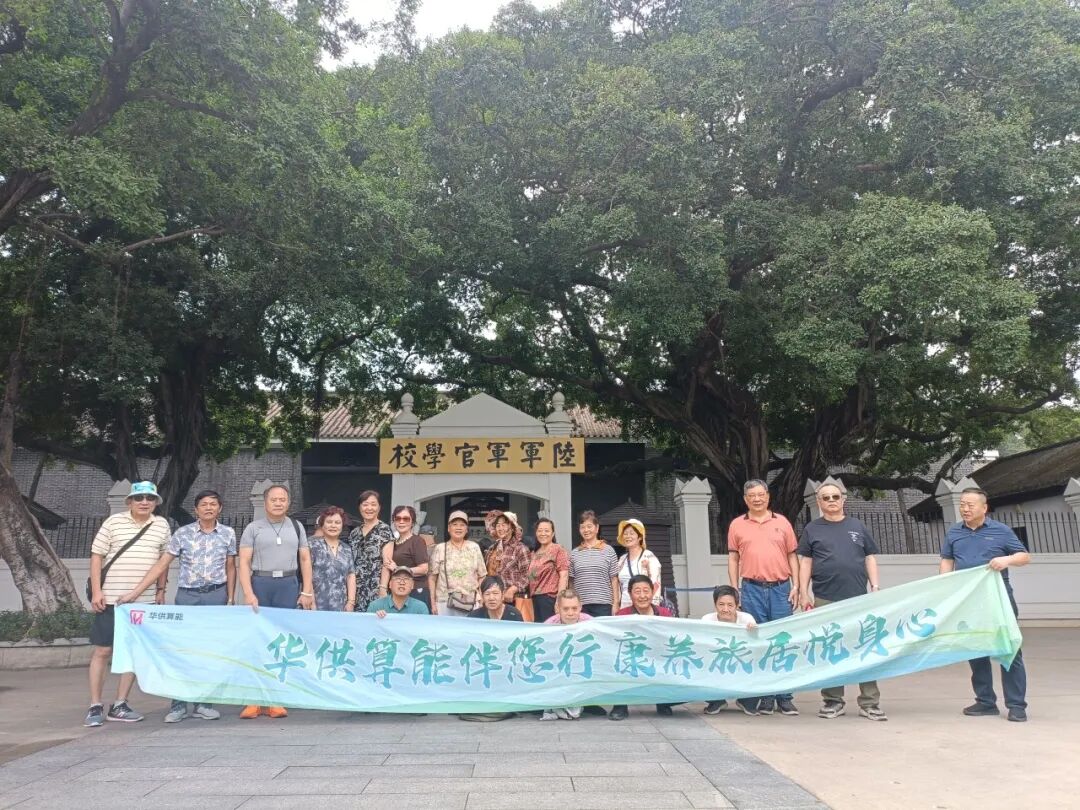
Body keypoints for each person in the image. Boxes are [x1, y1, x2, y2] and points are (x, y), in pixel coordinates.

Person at [116, 488, 236, 724]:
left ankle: (204, 703)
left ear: (220, 508)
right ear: (196, 509)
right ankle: (178, 704)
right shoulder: (183, 534)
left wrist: (230, 598)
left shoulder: (228, 533)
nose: (209, 508)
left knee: (209, 652)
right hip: (187, 597)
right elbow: (162, 564)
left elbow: (230, 566)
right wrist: (135, 593)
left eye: (213, 504)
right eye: (204, 504)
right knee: (182, 651)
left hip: (215, 595)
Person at [83, 481, 171, 728]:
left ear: (155, 503)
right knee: (103, 650)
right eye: (139, 498)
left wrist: (160, 590)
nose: (144, 502)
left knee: (133, 652)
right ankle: (95, 704)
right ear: (130, 501)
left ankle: (120, 703)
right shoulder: (113, 523)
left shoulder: (161, 525)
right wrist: (97, 591)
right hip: (110, 598)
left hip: (143, 601)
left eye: (150, 498)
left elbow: (163, 561)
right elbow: (97, 557)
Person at [940, 487, 1031, 722]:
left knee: (1009, 649)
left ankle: (1016, 705)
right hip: (969, 602)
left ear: (984, 507)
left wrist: (1007, 559)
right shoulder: (954, 532)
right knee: (975, 648)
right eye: (962, 504)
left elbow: (1024, 557)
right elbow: (947, 561)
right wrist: (944, 586)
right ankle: (985, 701)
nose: (965, 509)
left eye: (970, 505)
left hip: (999, 600)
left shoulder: (1001, 531)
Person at [798, 483, 886, 721]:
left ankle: (869, 702)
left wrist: (875, 588)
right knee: (831, 650)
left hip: (858, 598)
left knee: (865, 648)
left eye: (835, 496)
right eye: (825, 497)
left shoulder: (857, 526)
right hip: (825, 598)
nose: (831, 501)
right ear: (819, 502)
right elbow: (806, 562)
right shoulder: (812, 529)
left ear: (843, 499)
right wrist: (804, 591)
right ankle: (833, 701)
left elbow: (869, 557)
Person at [237, 483, 314, 720]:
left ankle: (276, 698)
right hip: (261, 583)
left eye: (282, 499)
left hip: (288, 585)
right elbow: (244, 562)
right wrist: (248, 593)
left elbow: (305, 559)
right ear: (265, 502)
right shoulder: (253, 528)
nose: (278, 503)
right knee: (258, 640)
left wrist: (307, 591)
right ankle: (253, 699)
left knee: (282, 642)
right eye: (274, 499)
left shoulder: (296, 527)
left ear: (288, 503)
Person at [727, 479, 800, 717]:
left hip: (781, 588)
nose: (757, 499)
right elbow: (733, 558)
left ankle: (785, 697)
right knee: (758, 641)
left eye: (761, 494)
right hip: (751, 589)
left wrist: (797, 585)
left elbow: (792, 556)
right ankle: (766, 696)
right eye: (752, 496)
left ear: (768, 496)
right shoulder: (737, 525)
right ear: (745, 499)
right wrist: (734, 588)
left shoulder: (782, 522)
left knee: (782, 641)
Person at [610, 574, 677, 721]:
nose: (642, 596)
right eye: (637, 591)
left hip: (657, 657)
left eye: (646, 591)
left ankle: (663, 702)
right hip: (632, 658)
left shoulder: (664, 613)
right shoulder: (621, 615)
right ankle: (620, 705)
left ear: (652, 592)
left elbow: (672, 638)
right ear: (630, 594)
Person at [700, 585, 757, 715]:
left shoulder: (747, 619)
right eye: (721, 604)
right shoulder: (706, 620)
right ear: (715, 604)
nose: (725, 609)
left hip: (741, 663)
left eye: (730, 605)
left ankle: (746, 701)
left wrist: (754, 632)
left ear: (737, 605)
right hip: (716, 663)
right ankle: (716, 701)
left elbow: (756, 647)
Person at [540, 588, 591, 720]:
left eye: (574, 608)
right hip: (558, 668)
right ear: (558, 608)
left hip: (582, 668)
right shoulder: (548, 625)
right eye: (566, 609)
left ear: (580, 607)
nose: (570, 613)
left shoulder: (591, 623)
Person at [428, 510, 487, 616]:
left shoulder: (474, 547)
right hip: (444, 601)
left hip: (470, 601)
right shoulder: (440, 548)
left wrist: (482, 599)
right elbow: (432, 578)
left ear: (466, 529)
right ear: (448, 528)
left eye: (462, 525)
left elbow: (482, 575)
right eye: (454, 524)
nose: (458, 528)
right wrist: (433, 603)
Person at [569, 510, 619, 617]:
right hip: (580, 605)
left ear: (597, 528)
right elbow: (571, 582)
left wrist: (615, 603)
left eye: (589, 526)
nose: (586, 530)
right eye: (582, 527)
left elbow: (614, 579)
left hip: (604, 605)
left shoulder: (609, 550)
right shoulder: (574, 553)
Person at [349, 489, 392, 612]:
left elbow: (387, 563)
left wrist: (383, 589)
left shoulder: (384, 530)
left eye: (373, 504)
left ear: (379, 507)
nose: (369, 508)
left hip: (375, 587)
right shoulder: (354, 533)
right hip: (355, 589)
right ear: (360, 507)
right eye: (365, 504)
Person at [380, 505, 431, 609]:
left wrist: (398, 569)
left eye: (406, 519)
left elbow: (424, 569)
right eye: (398, 518)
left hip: (415, 591)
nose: (401, 521)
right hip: (397, 592)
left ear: (412, 522)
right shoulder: (393, 543)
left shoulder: (417, 541)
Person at [309, 506, 357, 612]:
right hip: (316, 604)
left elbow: (351, 576)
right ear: (322, 524)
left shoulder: (346, 549)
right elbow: (307, 575)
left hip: (341, 605)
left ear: (342, 525)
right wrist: (311, 602)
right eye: (329, 522)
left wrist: (351, 602)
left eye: (337, 522)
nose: (333, 525)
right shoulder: (312, 546)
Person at [484, 510, 532, 616]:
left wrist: (512, 589)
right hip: (493, 600)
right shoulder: (492, 548)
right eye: (498, 525)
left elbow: (527, 576)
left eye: (504, 525)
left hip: (513, 601)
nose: (500, 528)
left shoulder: (521, 548)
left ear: (512, 527)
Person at [527, 518, 569, 622]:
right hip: (535, 599)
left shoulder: (558, 549)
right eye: (540, 531)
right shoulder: (534, 553)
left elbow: (564, 575)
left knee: (549, 627)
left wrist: (559, 600)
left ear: (553, 533)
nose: (543, 534)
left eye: (546, 531)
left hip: (550, 598)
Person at [616, 518, 661, 610]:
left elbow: (656, 584)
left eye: (631, 533)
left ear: (639, 537)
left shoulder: (649, 557)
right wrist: (617, 604)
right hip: (625, 607)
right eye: (625, 533)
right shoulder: (622, 560)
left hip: (645, 606)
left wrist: (654, 608)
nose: (628, 536)